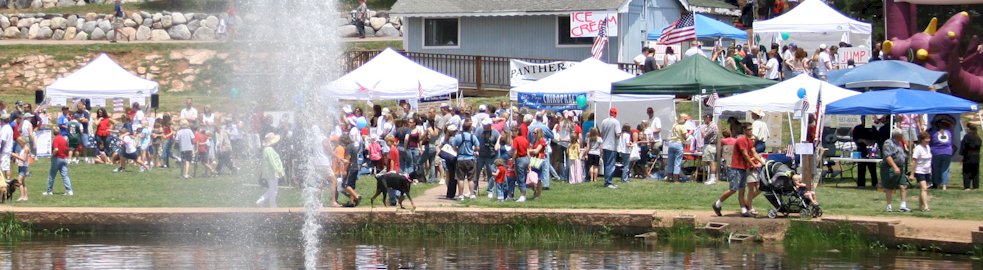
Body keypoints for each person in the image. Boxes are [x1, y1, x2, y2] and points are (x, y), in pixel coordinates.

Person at [712, 123, 759, 217]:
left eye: (751, 129)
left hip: (743, 168)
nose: (751, 131)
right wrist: (753, 164)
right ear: (744, 130)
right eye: (749, 129)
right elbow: (745, 154)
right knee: (733, 189)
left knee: (742, 190)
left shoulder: (749, 141)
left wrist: (762, 162)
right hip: (735, 167)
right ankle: (717, 204)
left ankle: (743, 210)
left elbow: (754, 153)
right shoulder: (741, 140)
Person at [881, 128, 912, 212]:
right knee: (889, 187)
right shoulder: (888, 143)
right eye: (902, 135)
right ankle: (889, 206)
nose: (903, 137)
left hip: (900, 167)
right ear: (897, 136)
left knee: (903, 185)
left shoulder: (900, 143)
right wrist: (894, 167)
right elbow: (888, 156)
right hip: (890, 167)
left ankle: (903, 205)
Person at [256, 133, 285, 208]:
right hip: (273, 173)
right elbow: (272, 161)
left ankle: (263, 201)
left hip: (270, 173)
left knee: (273, 189)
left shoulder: (266, 150)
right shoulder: (269, 150)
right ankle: (271, 205)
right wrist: (278, 170)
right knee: (274, 190)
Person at [451, 122, 479, 200]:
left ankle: (461, 195)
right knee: (471, 178)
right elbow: (478, 147)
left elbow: (453, 147)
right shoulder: (473, 137)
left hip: (460, 159)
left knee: (460, 178)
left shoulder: (457, 137)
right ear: (470, 128)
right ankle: (472, 194)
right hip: (470, 159)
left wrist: (458, 150)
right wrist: (473, 150)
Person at [928, 117, 955, 190]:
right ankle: (944, 185)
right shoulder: (949, 132)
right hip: (947, 152)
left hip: (936, 152)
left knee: (936, 169)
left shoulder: (933, 132)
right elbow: (951, 142)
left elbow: (930, 142)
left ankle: (937, 184)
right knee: (945, 169)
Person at [476, 118, 500, 198]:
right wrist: (475, 149)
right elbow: (475, 140)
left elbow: (498, 145)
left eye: (485, 125)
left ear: (490, 125)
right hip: (480, 155)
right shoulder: (479, 130)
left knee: (491, 173)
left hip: (491, 156)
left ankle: (490, 190)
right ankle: (474, 190)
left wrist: (497, 158)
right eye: (483, 124)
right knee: (476, 173)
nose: (484, 126)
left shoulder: (495, 133)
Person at [43, 130, 73, 196]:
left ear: (53, 133)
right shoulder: (64, 139)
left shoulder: (56, 139)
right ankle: (69, 191)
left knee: (52, 175)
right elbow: (68, 149)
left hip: (57, 158)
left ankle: (49, 191)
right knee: (65, 176)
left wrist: (52, 156)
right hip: (64, 158)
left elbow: (56, 149)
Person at [852, 117, 878, 187]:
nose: (865, 121)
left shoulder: (873, 128)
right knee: (861, 168)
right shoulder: (858, 128)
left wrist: (871, 142)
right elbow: (855, 139)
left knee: (872, 168)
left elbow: (876, 138)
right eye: (863, 120)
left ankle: (874, 183)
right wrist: (863, 141)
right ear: (861, 120)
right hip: (861, 149)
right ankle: (861, 184)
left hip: (871, 150)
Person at [599, 108, 621, 189]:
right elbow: (618, 134)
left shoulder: (604, 121)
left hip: (604, 145)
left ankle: (607, 181)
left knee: (606, 165)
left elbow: (601, 133)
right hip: (611, 146)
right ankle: (608, 182)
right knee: (610, 165)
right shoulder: (616, 122)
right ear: (615, 113)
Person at [911, 131, 932, 211]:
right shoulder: (918, 148)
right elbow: (914, 161)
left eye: (928, 138)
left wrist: (930, 170)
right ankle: (926, 206)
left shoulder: (928, 147)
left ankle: (920, 206)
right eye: (926, 139)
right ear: (921, 140)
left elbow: (929, 160)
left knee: (924, 189)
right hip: (920, 171)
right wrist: (912, 174)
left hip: (927, 171)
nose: (928, 140)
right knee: (924, 188)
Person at [666, 115, 688, 183]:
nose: (686, 121)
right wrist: (689, 134)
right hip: (678, 144)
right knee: (677, 162)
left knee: (670, 162)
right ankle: (676, 179)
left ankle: (669, 178)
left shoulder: (674, 125)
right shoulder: (682, 127)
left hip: (671, 143)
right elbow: (685, 137)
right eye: (685, 119)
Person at [511, 126, 529, 202]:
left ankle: (522, 195)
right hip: (526, 158)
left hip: (520, 159)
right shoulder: (525, 139)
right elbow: (527, 149)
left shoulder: (516, 140)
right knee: (524, 177)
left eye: (513, 131)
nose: (512, 133)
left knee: (520, 177)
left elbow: (515, 151)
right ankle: (524, 193)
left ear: (517, 131)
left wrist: (513, 160)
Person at [961, 123, 981, 190]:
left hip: (968, 156)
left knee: (967, 171)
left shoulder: (967, 136)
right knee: (975, 171)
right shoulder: (978, 137)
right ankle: (975, 186)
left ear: (969, 129)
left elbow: (963, 146)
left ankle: (967, 186)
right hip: (976, 156)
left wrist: (962, 155)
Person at [701, 114, 719, 185]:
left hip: (710, 145)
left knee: (711, 162)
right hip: (709, 145)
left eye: (705, 118)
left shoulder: (712, 126)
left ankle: (712, 178)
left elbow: (705, 135)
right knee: (709, 161)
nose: (704, 119)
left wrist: (702, 131)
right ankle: (711, 177)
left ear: (708, 118)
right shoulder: (709, 126)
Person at [12, 137, 30, 201]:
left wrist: (15, 155)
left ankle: (22, 196)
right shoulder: (22, 148)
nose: (19, 144)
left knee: (19, 181)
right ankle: (25, 196)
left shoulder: (26, 149)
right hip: (21, 166)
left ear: (22, 142)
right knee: (22, 182)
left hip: (23, 167)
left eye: (19, 142)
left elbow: (24, 159)